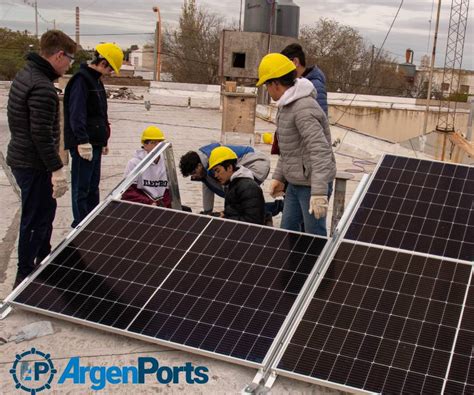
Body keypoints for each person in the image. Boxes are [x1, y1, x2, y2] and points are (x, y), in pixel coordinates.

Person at [7, 30, 77, 287]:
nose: (69, 65)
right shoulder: (43, 88)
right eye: (69, 59)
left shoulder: (25, 74)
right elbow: (41, 136)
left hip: (21, 157)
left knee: (42, 214)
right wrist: (56, 169)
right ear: (59, 55)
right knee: (36, 219)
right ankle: (24, 277)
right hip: (33, 163)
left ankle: (43, 261)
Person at [256, 53, 336, 236]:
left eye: (267, 85)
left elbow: (320, 151)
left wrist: (319, 192)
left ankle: (317, 265)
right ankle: (292, 266)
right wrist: (279, 177)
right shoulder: (286, 105)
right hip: (294, 183)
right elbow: (290, 149)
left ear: (275, 83)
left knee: (313, 238)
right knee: (288, 235)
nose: (267, 90)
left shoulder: (303, 108)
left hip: (311, 185)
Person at [63, 42, 124, 227]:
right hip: (84, 145)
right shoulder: (81, 80)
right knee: (81, 188)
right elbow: (77, 113)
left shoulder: (96, 81)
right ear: (103, 62)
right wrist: (82, 141)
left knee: (92, 187)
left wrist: (104, 139)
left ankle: (91, 222)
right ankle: (80, 225)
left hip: (95, 143)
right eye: (111, 68)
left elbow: (100, 113)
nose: (111, 72)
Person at [179, 143, 270, 214]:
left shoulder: (212, 160)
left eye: (193, 173)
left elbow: (227, 189)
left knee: (243, 199)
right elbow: (208, 187)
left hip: (257, 163)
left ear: (198, 166)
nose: (194, 177)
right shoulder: (204, 165)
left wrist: (227, 213)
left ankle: (275, 208)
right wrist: (208, 211)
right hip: (248, 164)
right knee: (241, 202)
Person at [208, 146, 265, 225]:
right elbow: (236, 211)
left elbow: (253, 221)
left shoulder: (248, 187)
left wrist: (225, 219)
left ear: (229, 167)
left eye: (218, 171)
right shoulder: (233, 184)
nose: (215, 175)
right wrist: (222, 215)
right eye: (214, 172)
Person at [122, 126, 170, 207]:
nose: (158, 146)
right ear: (144, 144)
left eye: (160, 143)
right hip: (141, 206)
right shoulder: (134, 163)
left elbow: (169, 193)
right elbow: (127, 192)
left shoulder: (166, 163)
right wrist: (149, 203)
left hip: (159, 206)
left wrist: (163, 205)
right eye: (153, 143)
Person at [281, 43, 328, 115]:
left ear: (295, 62)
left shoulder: (315, 85)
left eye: (284, 65)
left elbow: (319, 119)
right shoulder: (296, 84)